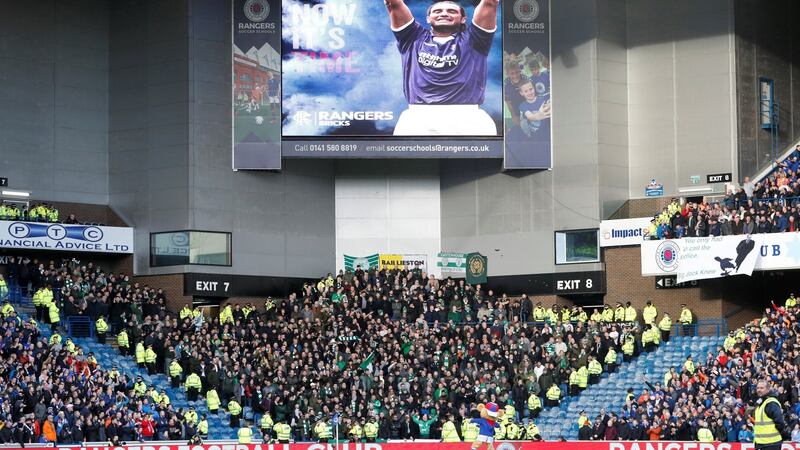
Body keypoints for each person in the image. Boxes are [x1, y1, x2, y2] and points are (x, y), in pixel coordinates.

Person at [385, 0, 499, 135]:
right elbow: (393, 3)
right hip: (418, 118)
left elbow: (490, 3)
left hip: (468, 118)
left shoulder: (475, 40)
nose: (444, 14)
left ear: (463, 19)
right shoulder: (412, 38)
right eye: (437, 11)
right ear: (428, 18)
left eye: (452, 11)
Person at [753, 380, 787, 450]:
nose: (759, 390)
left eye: (762, 388)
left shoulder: (771, 403)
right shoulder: (761, 402)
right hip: (761, 443)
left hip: (771, 443)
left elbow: (779, 422)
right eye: (758, 388)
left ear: (768, 389)